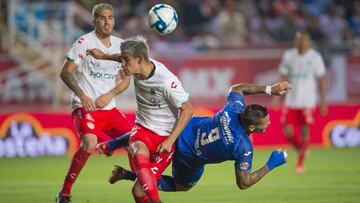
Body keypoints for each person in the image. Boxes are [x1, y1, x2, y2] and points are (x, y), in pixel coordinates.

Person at [98, 81, 292, 192]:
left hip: (180, 130)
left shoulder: (234, 108)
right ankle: (129, 175)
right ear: (251, 126)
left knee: (146, 131)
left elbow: (237, 88)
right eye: (265, 122)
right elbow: (243, 183)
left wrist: (268, 90)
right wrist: (271, 164)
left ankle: (112, 144)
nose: (269, 123)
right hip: (189, 161)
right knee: (181, 186)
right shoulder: (243, 148)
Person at [87, 36, 193, 203]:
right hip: (142, 129)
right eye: (122, 60)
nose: (122, 64)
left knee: (138, 191)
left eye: (126, 61)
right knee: (138, 152)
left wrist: (170, 140)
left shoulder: (166, 81)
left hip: (164, 138)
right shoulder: (136, 65)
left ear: (140, 59)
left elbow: (188, 109)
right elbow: (123, 56)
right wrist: (104, 56)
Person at [56, 3, 133, 203]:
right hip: (85, 107)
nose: (107, 22)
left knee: (136, 143)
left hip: (110, 109)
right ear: (94, 21)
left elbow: (126, 79)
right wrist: (82, 95)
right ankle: (64, 193)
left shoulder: (121, 45)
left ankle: (142, 188)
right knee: (89, 143)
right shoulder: (84, 42)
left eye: (110, 17)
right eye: (102, 18)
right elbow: (65, 71)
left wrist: (111, 94)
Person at [274, 30, 327, 173]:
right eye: (300, 41)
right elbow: (283, 75)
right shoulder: (289, 56)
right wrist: (277, 96)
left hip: (307, 101)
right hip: (291, 100)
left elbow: (321, 79)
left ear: (309, 42)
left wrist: (323, 101)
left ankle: (300, 163)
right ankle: (300, 149)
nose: (302, 43)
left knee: (305, 132)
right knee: (287, 132)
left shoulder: (315, 57)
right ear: (296, 41)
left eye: (305, 41)